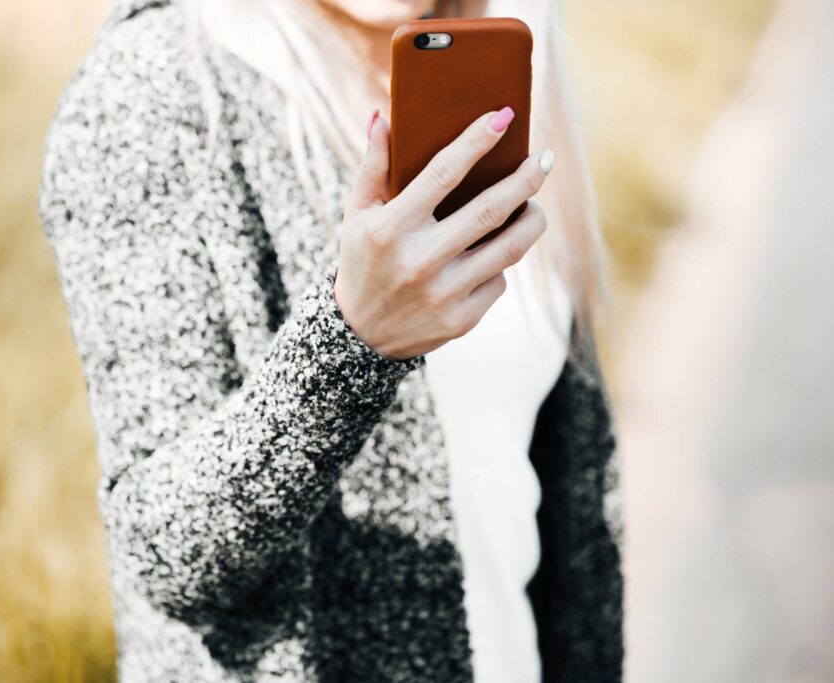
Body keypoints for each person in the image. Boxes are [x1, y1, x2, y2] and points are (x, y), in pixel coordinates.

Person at [38, 0, 623, 680]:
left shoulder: (511, 46)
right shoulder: (150, 90)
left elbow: (573, 514)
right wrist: (352, 340)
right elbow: (164, 556)